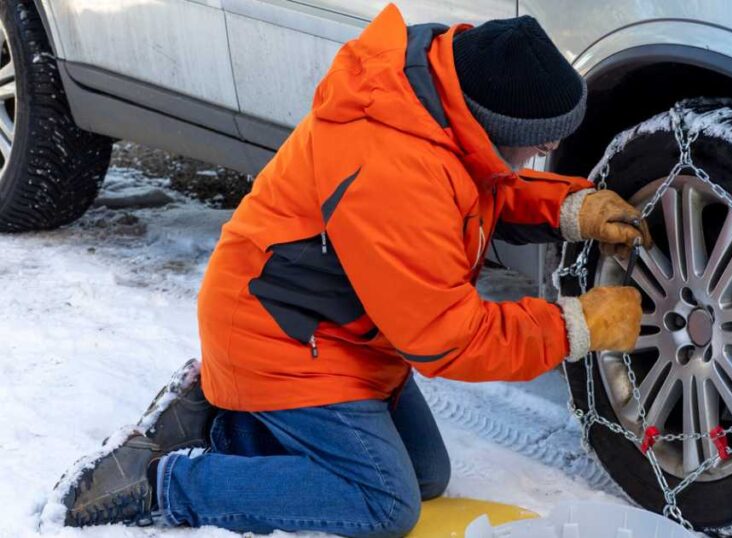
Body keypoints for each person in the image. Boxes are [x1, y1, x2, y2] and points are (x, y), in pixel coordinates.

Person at [59, 4, 651, 536]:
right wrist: (577, 325)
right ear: (493, 127)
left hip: (343, 334)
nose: (541, 157)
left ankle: (222, 420)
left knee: (426, 475)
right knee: (383, 502)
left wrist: (570, 208)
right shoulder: (396, 171)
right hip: (282, 340)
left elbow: (482, 183)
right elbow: (447, 338)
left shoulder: (436, 102)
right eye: (536, 145)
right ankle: (165, 480)